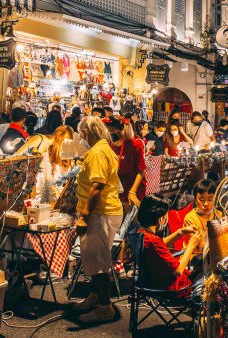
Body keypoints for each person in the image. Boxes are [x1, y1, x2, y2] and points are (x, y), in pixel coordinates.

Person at [72, 116, 123, 323]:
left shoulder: (98, 153)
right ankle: (94, 297)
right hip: (104, 212)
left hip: (100, 214)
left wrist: (84, 217)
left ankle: (104, 308)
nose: (81, 137)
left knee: (99, 261)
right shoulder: (102, 149)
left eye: (81, 134)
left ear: (87, 133)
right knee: (94, 258)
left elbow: (97, 186)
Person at [136, 193, 204, 296]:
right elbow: (178, 270)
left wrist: (180, 232)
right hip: (175, 288)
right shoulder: (153, 241)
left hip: (152, 282)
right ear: (160, 218)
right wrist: (191, 245)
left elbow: (160, 245)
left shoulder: (142, 234)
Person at [106, 116, 146, 210]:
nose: (110, 135)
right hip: (115, 190)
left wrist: (132, 191)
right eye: (108, 132)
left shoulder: (135, 144)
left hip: (132, 186)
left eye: (113, 132)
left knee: (131, 218)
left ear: (121, 130)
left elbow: (141, 170)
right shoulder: (108, 143)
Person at [182, 179, 219, 252]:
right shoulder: (190, 218)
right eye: (202, 200)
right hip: (195, 256)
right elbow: (198, 246)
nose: (206, 203)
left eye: (210, 199)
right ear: (195, 200)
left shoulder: (218, 214)